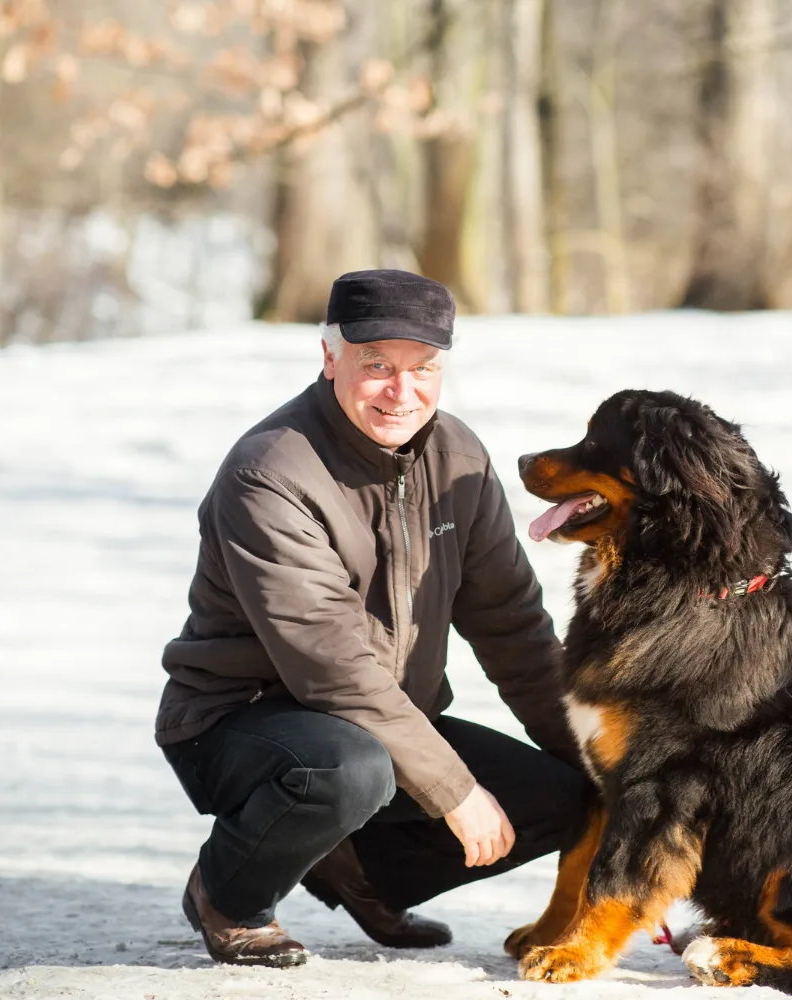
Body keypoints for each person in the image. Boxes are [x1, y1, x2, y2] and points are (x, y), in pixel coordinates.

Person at [155, 269, 589, 967]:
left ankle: (359, 873)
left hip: (380, 728)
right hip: (240, 723)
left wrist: (602, 760)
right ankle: (229, 895)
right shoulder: (270, 472)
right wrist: (453, 790)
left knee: (568, 795)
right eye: (377, 365)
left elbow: (514, 630)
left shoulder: (458, 461)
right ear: (330, 357)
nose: (402, 391)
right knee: (348, 771)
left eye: (423, 369)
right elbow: (333, 670)